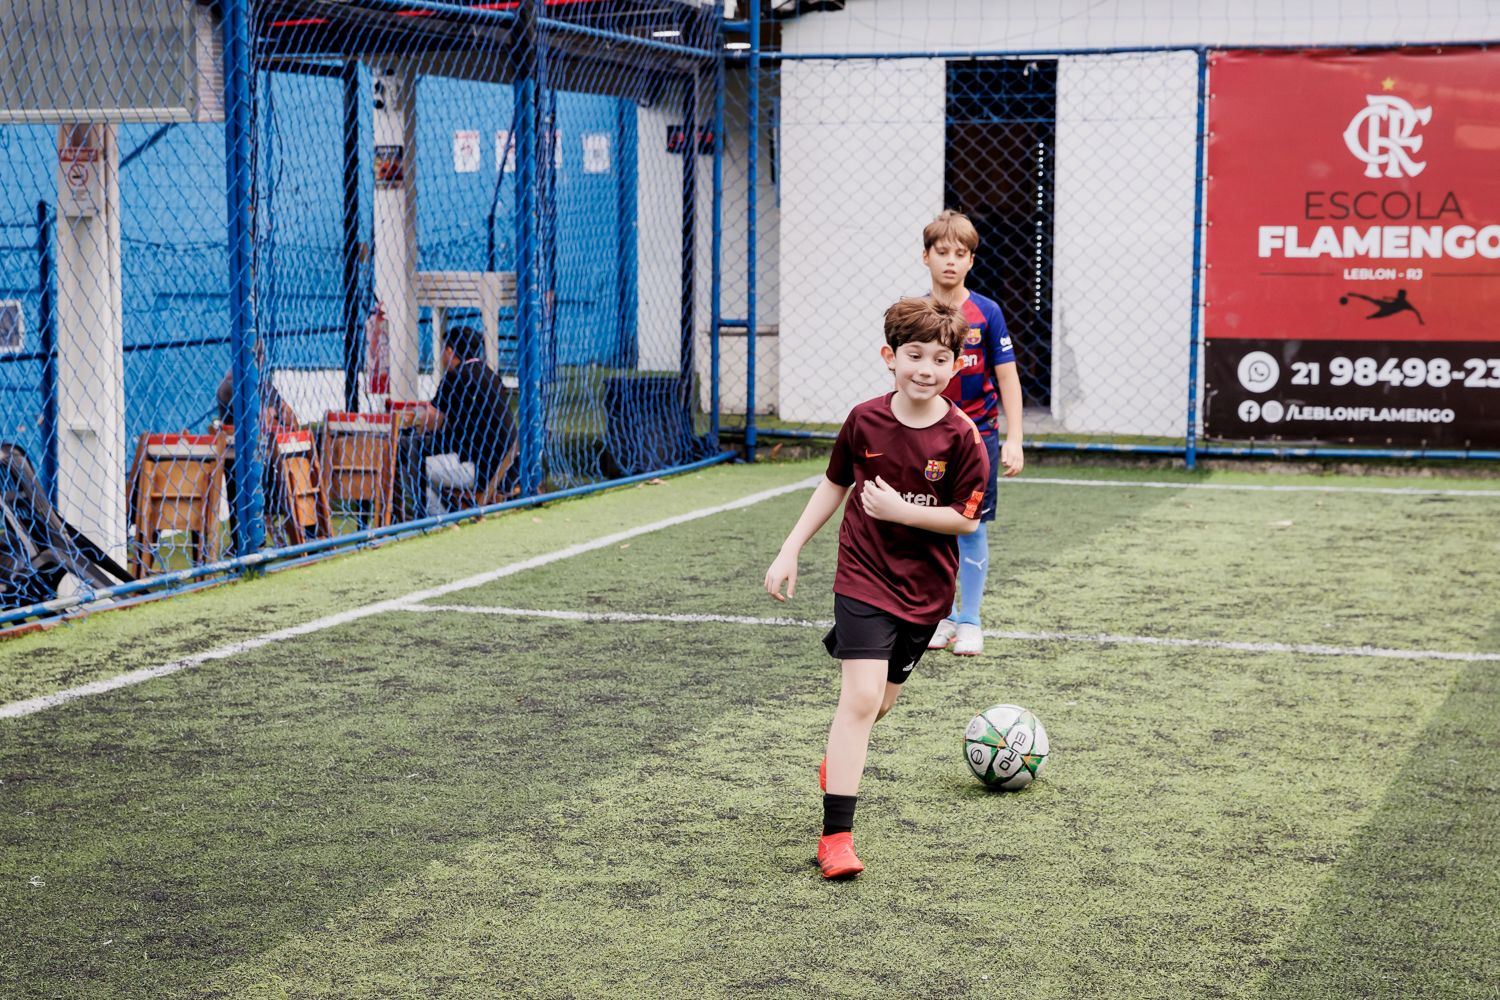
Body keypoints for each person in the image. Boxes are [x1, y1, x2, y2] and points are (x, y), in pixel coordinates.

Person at [764, 297, 990, 879]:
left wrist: (900, 511)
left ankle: (838, 758)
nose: (925, 369)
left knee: (879, 704)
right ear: (890, 357)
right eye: (913, 355)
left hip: (925, 593)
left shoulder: (963, 437)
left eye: (940, 359)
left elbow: (967, 520)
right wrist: (790, 549)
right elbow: (833, 484)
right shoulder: (864, 419)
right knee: (860, 700)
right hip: (863, 575)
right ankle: (836, 837)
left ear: (955, 365)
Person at [919, 210, 1025, 657]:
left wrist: (1014, 438)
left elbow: (1008, 379)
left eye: (960, 254)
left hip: (978, 437)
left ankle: (971, 620)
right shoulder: (915, 313)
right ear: (924, 257)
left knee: (970, 524)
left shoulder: (988, 313)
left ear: (971, 261)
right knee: (930, 527)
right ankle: (941, 617)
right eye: (942, 252)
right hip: (929, 436)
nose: (950, 261)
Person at [396, 325, 516, 519]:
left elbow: (429, 422)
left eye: (444, 349)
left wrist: (419, 418)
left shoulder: (454, 377)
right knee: (431, 461)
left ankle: (439, 519)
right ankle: (448, 513)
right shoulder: (491, 376)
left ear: (450, 351)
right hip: (505, 466)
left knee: (412, 466)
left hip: (477, 469)